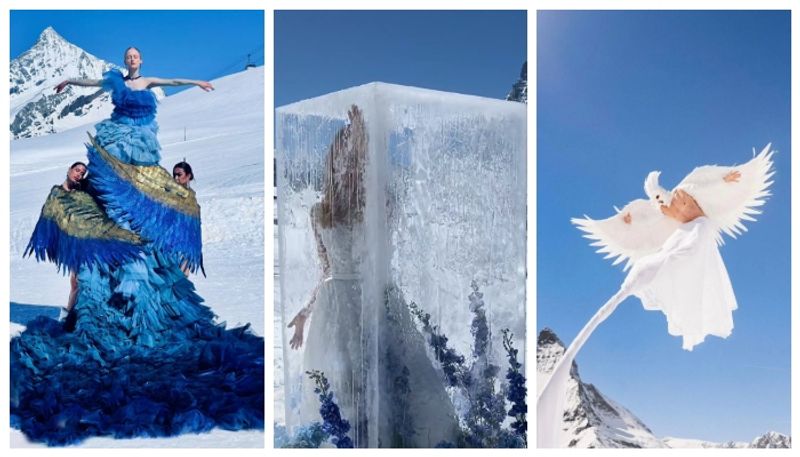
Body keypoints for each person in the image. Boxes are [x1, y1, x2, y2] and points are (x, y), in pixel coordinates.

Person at [13, 46, 262, 446]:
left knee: (141, 196)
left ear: (141, 61)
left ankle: (140, 260)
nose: (131, 60)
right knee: (114, 198)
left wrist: (197, 81)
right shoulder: (115, 80)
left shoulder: (147, 81)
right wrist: (66, 81)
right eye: (127, 56)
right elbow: (91, 83)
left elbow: (173, 81)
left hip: (139, 145)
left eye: (135, 57)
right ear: (124, 60)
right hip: (116, 142)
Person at [286, 105, 459, 448]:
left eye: (356, 158)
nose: (349, 166)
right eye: (343, 158)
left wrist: (362, 132)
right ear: (333, 161)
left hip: (377, 300)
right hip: (337, 310)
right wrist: (306, 313)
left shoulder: (382, 202)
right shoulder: (319, 212)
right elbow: (326, 268)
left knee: (396, 381)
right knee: (344, 389)